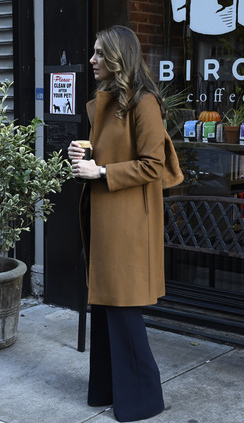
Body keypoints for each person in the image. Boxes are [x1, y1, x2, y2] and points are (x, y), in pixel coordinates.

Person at [67, 25, 183, 422]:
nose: (92, 59)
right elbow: (111, 153)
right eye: (94, 52)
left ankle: (143, 400)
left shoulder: (143, 102)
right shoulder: (111, 100)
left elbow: (153, 164)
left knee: (123, 310)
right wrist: (83, 154)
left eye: (100, 53)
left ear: (119, 57)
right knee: (104, 307)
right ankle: (107, 391)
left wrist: (99, 171)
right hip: (104, 216)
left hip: (128, 220)